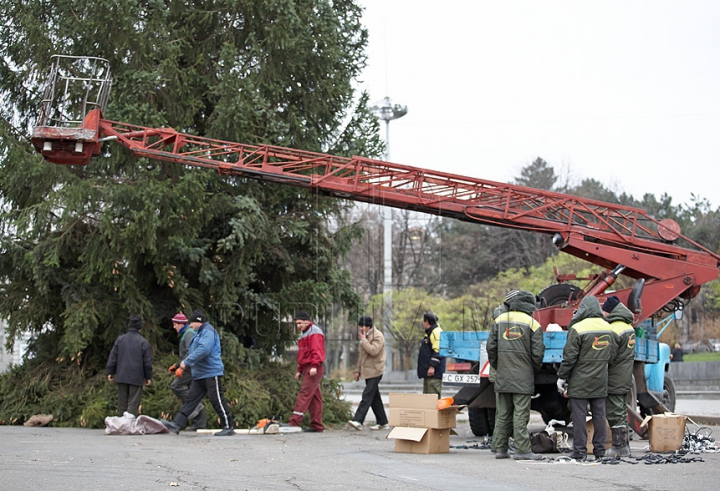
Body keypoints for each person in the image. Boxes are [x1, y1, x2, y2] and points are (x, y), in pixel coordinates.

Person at [487, 290, 545, 461]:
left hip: (503, 374)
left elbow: (491, 348)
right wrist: (532, 369)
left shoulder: (500, 320)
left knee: (503, 412)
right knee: (520, 413)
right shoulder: (532, 323)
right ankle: (522, 450)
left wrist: (499, 365)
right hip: (523, 376)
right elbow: (538, 353)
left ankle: (500, 449)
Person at [557, 295, 614, 461]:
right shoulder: (607, 327)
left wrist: (562, 377)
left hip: (580, 380)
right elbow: (612, 356)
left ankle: (580, 452)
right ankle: (600, 451)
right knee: (599, 416)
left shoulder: (578, 328)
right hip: (600, 379)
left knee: (579, 416)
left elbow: (569, 357)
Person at [162, 309, 235, 436]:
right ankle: (177, 424)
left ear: (198, 322)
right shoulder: (198, 333)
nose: (190, 325)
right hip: (199, 374)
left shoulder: (208, 331)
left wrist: (186, 363)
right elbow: (192, 352)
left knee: (216, 400)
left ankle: (228, 427)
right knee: (191, 400)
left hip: (211, 373)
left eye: (191, 322)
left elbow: (203, 350)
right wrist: (179, 365)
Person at [601, 296, 635, 458]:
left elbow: (609, 356)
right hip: (624, 375)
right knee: (620, 409)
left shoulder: (614, 329)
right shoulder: (627, 327)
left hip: (614, 376)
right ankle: (624, 445)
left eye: (604, 312)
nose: (603, 314)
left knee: (615, 411)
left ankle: (619, 446)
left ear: (610, 312)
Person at [106, 314, 153, 417]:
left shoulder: (120, 340)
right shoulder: (143, 342)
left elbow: (113, 357)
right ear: (140, 328)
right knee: (133, 403)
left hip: (122, 375)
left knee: (122, 403)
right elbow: (147, 362)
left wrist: (111, 372)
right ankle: (129, 425)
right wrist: (147, 376)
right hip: (136, 376)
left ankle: (121, 425)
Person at [348, 315, 389, 431]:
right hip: (367, 370)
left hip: (376, 370)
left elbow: (373, 351)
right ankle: (383, 422)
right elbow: (362, 355)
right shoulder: (365, 336)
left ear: (368, 327)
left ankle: (358, 420)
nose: (360, 329)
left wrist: (363, 340)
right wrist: (357, 370)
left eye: (362, 326)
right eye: (360, 326)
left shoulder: (377, 336)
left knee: (367, 395)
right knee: (375, 397)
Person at [168, 312, 207, 431]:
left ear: (181, 324)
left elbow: (191, 352)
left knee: (176, 386)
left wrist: (180, 366)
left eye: (175, 324)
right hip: (189, 367)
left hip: (190, 368)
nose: (174, 327)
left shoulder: (189, 333)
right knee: (193, 394)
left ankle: (197, 407)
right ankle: (199, 424)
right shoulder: (186, 333)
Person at [289, 310, 326, 432]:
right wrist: (300, 370)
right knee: (315, 398)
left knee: (304, 394)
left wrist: (315, 366)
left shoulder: (314, 332)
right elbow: (303, 354)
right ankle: (317, 426)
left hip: (313, 368)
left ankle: (294, 423)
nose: (298, 326)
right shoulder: (304, 333)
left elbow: (317, 350)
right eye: (297, 324)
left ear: (307, 321)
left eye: (300, 323)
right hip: (308, 368)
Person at [417, 312, 446, 397]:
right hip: (429, 372)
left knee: (433, 397)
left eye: (423, 321)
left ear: (427, 322)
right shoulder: (430, 333)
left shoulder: (437, 332)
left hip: (434, 373)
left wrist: (432, 366)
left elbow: (438, 351)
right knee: (427, 399)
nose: (422, 322)